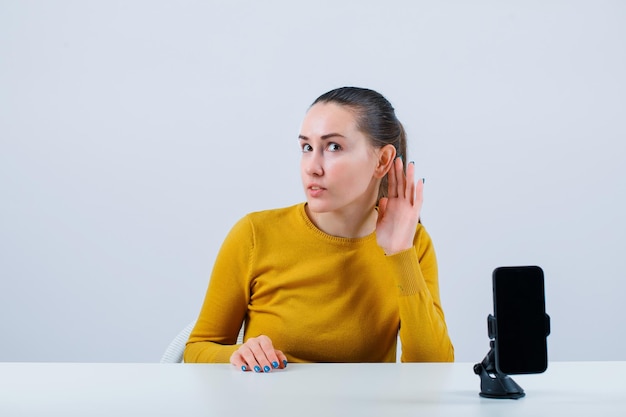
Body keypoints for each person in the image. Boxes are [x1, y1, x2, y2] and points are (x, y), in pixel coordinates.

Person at [184, 87, 454, 371]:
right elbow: (197, 349)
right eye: (307, 148)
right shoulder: (254, 234)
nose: (312, 167)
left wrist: (400, 254)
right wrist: (237, 355)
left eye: (334, 147)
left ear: (383, 160)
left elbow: (434, 370)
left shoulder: (412, 243)